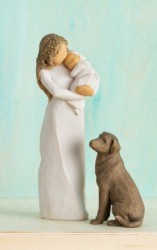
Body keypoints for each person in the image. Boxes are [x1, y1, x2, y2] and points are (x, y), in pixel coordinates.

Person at [36, 33, 100, 220]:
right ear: (50, 54)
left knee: (74, 159)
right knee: (57, 159)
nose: (67, 52)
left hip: (75, 117)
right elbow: (56, 92)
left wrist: (84, 90)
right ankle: (55, 208)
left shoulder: (69, 62)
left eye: (66, 48)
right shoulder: (44, 71)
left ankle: (76, 207)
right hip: (59, 116)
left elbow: (86, 70)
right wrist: (78, 97)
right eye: (62, 50)